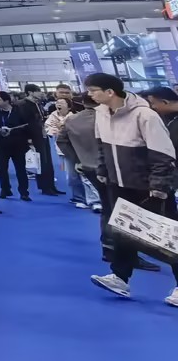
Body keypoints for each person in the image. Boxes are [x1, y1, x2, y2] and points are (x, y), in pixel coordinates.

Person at [85, 73, 178, 305]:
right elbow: (101, 145)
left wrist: (159, 186)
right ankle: (120, 278)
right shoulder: (101, 113)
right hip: (119, 184)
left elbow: (163, 153)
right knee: (122, 232)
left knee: (169, 237)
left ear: (110, 92)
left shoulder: (145, 115)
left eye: (93, 90)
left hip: (148, 187)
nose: (89, 94)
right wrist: (103, 169)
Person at [56, 94, 105, 212]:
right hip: (109, 160)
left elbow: (61, 140)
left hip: (84, 159)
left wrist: (75, 158)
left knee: (86, 179)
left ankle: (94, 202)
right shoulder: (109, 117)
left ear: (83, 102)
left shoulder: (72, 120)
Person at [19, 83, 62, 195]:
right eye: (38, 91)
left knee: (48, 161)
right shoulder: (23, 105)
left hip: (43, 134)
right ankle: (45, 187)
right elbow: (24, 122)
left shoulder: (38, 103)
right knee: (41, 162)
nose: (41, 93)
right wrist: (28, 138)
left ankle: (51, 186)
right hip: (33, 137)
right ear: (30, 92)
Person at [0, 92, 30, 200]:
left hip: (18, 144)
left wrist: (13, 131)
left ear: (6, 101)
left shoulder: (18, 110)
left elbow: (27, 126)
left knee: (20, 169)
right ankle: (5, 189)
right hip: (1, 145)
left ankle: (24, 192)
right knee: (1, 168)